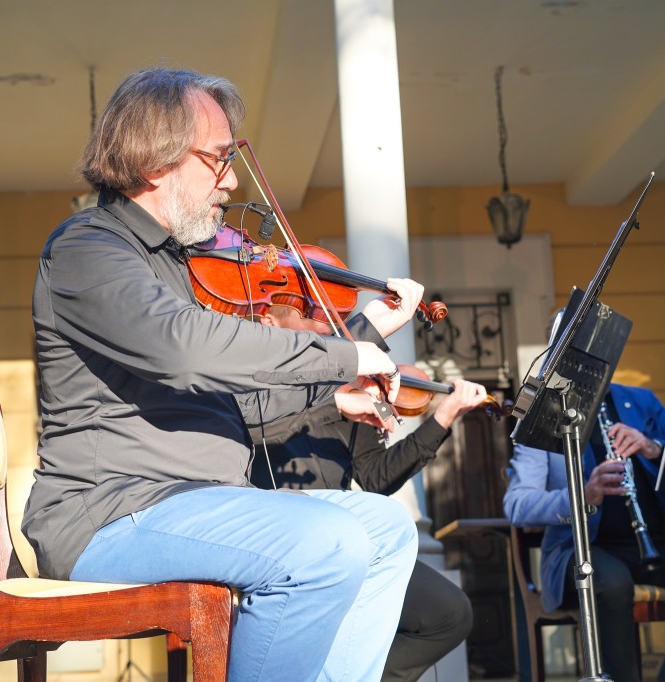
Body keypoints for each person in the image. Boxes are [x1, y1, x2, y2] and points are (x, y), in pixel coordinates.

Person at [22, 67, 425, 681]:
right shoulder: (87, 248)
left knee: (386, 526)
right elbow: (183, 348)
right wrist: (344, 355)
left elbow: (231, 408)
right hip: (109, 516)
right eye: (217, 158)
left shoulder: (181, 267)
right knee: (325, 542)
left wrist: (340, 376)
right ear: (156, 161)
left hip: (190, 505)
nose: (231, 179)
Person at [248, 304, 488, 682]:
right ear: (269, 321)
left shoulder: (354, 393)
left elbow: (377, 477)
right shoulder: (256, 378)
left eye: (321, 316)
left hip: (348, 541)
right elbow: (257, 427)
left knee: (449, 613)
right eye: (306, 314)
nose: (321, 324)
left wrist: (444, 416)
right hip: (284, 539)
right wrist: (333, 402)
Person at [503, 381, 665, 681]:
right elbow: (517, 505)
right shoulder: (541, 413)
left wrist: (652, 448)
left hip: (658, 545)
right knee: (612, 582)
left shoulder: (640, 400)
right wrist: (583, 494)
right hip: (583, 550)